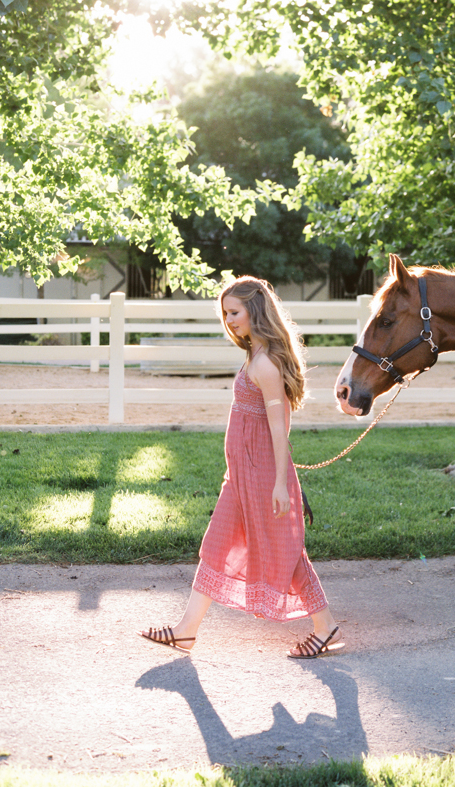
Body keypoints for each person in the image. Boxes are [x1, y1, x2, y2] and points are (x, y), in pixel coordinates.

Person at [139, 276, 343, 659]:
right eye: (225, 314)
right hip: (242, 475)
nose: (229, 320)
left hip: (263, 474)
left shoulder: (265, 364)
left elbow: (279, 428)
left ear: (255, 310)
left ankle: (325, 625)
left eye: (234, 312)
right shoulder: (255, 355)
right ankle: (186, 630)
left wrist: (281, 484)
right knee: (216, 544)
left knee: (286, 551)